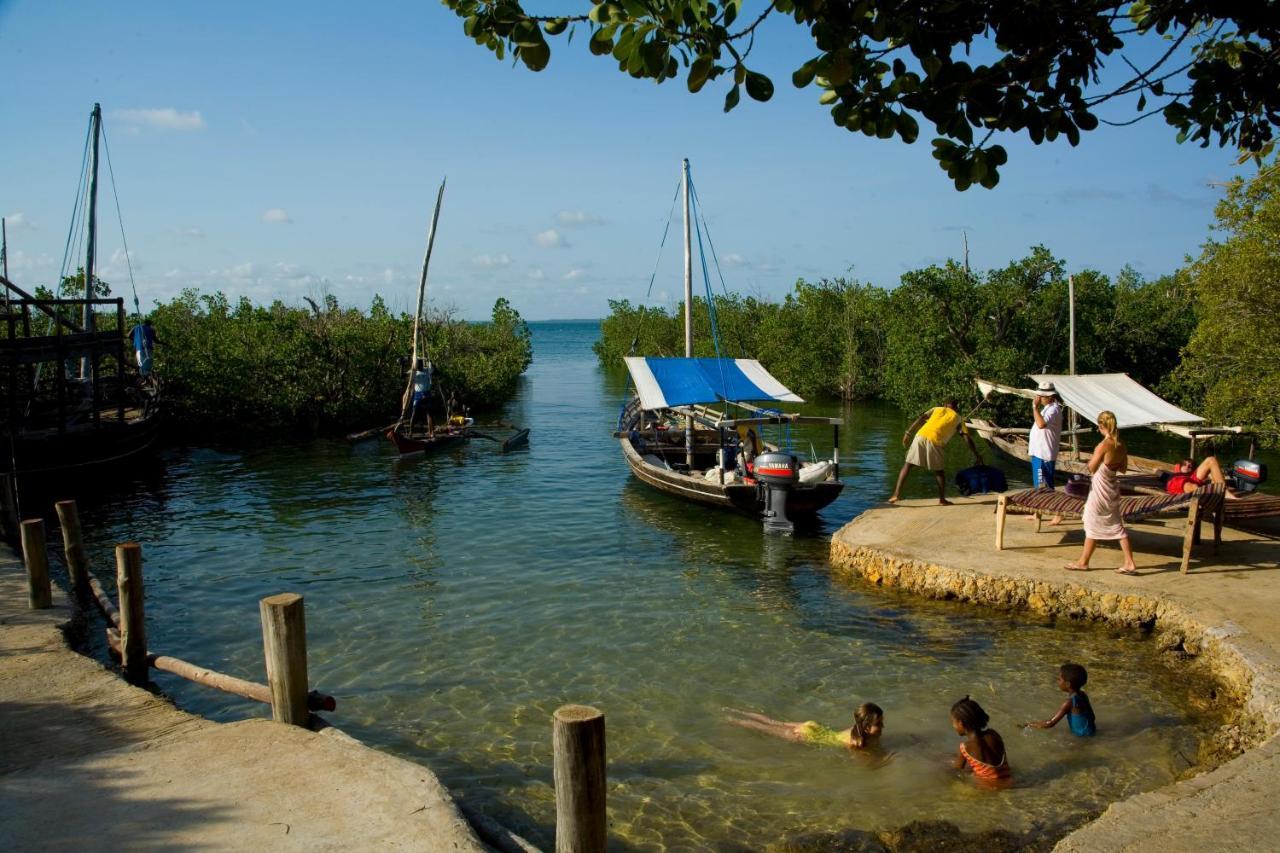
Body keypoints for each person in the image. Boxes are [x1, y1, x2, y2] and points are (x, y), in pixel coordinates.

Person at [1063, 410, 1139, 575]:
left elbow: (1091, 467)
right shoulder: (1121, 445)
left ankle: (1083, 562)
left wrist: (1093, 458)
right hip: (1111, 488)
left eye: (1098, 426)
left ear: (1102, 426)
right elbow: (1124, 469)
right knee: (1117, 526)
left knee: (1091, 522)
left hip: (1099, 489)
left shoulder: (1103, 445)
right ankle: (1129, 562)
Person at [888, 398, 981, 505]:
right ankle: (942, 499)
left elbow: (921, 418)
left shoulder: (936, 409)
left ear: (945, 404)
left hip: (920, 436)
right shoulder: (959, 419)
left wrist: (908, 433)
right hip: (935, 441)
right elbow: (966, 438)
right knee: (939, 472)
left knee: (908, 465)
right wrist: (976, 454)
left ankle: (896, 494)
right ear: (956, 407)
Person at [725, 703, 885, 751]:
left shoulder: (855, 729)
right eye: (879, 724)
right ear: (865, 728)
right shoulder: (857, 744)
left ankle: (736, 711)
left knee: (773, 722)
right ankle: (734, 721)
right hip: (807, 736)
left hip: (813, 726)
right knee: (763, 728)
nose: (883, 726)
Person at [950, 696, 1011, 785]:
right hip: (1009, 781)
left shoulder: (965, 747)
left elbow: (956, 770)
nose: (953, 726)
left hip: (989, 789)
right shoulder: (993, 734)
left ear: (961, 723)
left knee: (948, 764)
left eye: (953, 722)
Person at [1027, 381, 1064, 525]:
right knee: (1039, 485)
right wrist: (1036, 408)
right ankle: (1037, 513)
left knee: (1046, 485)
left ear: (1050, 396)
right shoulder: (1047, 408)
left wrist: (1034, 408)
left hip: (1044, 454)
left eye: (1042, 396)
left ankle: (1058, 512)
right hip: (1038, 453)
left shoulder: (1053, 409)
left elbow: (1041, 424)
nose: (1040, 398)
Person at [1026, 663, 1097, 737]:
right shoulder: (1083, 695)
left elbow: (1050, 723)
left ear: (1067, 684)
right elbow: (1092, 717)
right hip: (1091, 731)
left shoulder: (1069, 703)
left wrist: (1029, 725)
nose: (1058, 682)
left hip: (1082, 737)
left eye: (1059, 679)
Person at [1166, 456, 1239, 499]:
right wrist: (1157, 471)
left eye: (1190, 466)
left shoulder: (1193, 475)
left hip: (1192, 479)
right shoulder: (1174, 474)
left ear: (1193, 469)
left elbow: (1211, 475)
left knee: (1211, 459)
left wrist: (1212, 476)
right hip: (1176, 481)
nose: (1187, 466)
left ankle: (1223, 491)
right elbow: (1161, 475)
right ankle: (1211, 497)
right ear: (1180, 466)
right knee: (1192, 486)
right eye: (1184, 464)